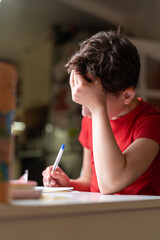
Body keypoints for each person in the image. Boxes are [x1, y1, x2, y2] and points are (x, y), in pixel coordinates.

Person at [42, 28, 160, 195]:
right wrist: (68, 184)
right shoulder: (91, 117)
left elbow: (110, 183)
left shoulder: (151, 122)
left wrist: (98, 109)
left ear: (126, 96)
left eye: (93, 101)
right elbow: (91, 181)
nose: (85, 113)